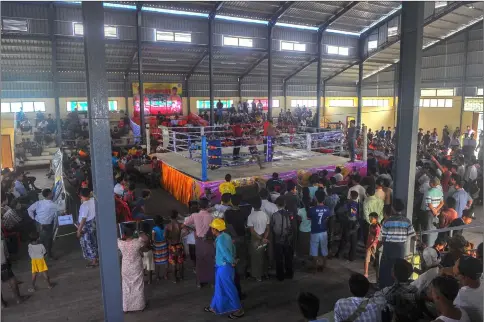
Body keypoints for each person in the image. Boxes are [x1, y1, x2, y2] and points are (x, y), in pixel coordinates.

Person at [204, 218, 244, 319]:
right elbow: (233, 248)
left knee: (229, 288)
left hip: (224, 267)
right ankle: (214, 306)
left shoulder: (220, 240)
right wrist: (233, 259)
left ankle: (239, 310)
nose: (211, 229)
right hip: (223, 266)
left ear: (215, 230)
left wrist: (232, 261)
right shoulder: (227, 236)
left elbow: (226, 253)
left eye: (212, 228)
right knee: (219, 287)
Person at [378, 199, 415, 288]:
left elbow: (383, 239)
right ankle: (397, 286)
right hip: (400, 249)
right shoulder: (407, 221)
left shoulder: (387, 221)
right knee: (399, 268)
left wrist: (377, 248)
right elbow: (414, 236)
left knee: (386, 268)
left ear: (393, 209)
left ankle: (384, 287)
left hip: (388, 248)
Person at [184, 198, 215, 287]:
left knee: (200, 262)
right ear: (208, 206)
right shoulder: (211, 216)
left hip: (199, 242)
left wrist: (193, 230)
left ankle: (200, 282)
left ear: (199, 206)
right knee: (210, 261)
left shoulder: (194, 215)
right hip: (208, 241)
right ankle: (212, 282)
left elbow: (184, 225)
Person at [27, 188, 64, 260]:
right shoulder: (52, 205)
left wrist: (33, 218)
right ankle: (48, 254)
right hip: (47, 225)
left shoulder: (39, 202)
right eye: (51, 193)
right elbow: (62, 208)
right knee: (48, 239)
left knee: (41, 238)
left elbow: (29, 209)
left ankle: (41, 253)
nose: (52, 194)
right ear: (49, 195)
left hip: (38, 223)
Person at [118, 223, 147, 312]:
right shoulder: (138, 242)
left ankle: (126, 307)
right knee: (138, 284)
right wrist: (139, 232)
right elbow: (145, 240)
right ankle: (140, 306)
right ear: (133, 232)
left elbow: (117, 240)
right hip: (136, 265)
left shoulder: (120, 243)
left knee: (126, 286)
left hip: (126, 266)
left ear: (124, 234)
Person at [270, 197, 294, 281]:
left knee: (279, 258)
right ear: (285, 204)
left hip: (278, 240)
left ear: (276, 204)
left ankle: (280, 276)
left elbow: (272, 226)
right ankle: (289, 273)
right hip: (288, 239)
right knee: (288, 257)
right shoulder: (290, 214)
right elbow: (292, 226)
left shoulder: (275, 215)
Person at [453, 256, 483, 321]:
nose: (456, 278)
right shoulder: (481, 276)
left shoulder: (461, 297)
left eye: (456, 275)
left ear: (466, 278)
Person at [247, 198, 269, 282]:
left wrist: (261, 238)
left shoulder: (250, 216)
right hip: (264, 237)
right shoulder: (265, 214)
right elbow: (268, 228)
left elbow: (252, 231)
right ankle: (266, 273)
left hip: (256, 239)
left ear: (252, 206)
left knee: (256, 258)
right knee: (264, 256)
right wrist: (265, 238)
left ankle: (258, 276)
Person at [308, 190, 331, 272]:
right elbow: (327, 218)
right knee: (324, 248)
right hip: (323, 231)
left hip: (314, 231)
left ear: (315, 198)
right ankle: (324, 266)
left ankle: (315, 267)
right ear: (324, 199)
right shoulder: (327, 209)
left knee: (314, 249)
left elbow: (309, 218)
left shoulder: (311, 209)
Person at [77, 188, 98, 268]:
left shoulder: (84, 206)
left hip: (86, 226)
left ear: (81, 196)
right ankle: (95, 258)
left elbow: (83, 219)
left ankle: (94, 261)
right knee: (93, 241)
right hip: (92, 224)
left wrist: (79, 230)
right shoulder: (93, 200)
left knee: (88, 243)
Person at [422, 177, 444, 247]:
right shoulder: (440, 192)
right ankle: (434, 243)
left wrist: (434, 210)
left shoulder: (429, 192)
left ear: (432, 183)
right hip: (438, 212)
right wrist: (437, 210)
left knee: (429, 228)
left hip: (430, 213)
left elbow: (429, 204)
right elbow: (442, 203)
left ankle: (429, 245)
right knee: (435, 227)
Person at [165, 210, 184, 283]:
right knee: (181, 262)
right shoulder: (180, 225)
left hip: (172, 246)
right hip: (179, 245)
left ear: (169, 216)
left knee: (173, 263)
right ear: (177, 216)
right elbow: (187, 231)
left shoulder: (168, 226)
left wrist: (170, 241)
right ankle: (182, 276)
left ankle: (175, 279)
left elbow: (165, 236)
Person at [363, 213, 380, 278]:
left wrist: (370, 246)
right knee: (366, 259)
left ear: (376, 219)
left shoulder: (377, 227)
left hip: (374, 246)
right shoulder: (370, 226)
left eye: (371, 218)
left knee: (376, 260)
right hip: (369, 245)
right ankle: (366, 273)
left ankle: (378, 274)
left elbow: (376, 238)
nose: (370, 219)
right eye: (369, 218)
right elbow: (369, 236)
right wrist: (367, 245)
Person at [152, 215, 168, 281]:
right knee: (165, 261)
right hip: (164, 245)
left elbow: (153, 239)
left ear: (155, 222)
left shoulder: (154, 229)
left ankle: (157, 277)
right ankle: (165, 276)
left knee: (157, 262)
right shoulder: (164, 227)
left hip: (157, 246)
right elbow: (166, 236)